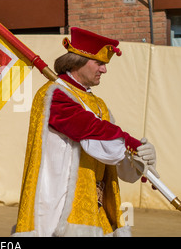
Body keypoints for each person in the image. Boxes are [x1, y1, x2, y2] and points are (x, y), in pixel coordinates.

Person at [13, 27, 158, 237]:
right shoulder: (55, 94)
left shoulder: (99, 104)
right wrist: (133, 144)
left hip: (93, 207)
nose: (104, 70)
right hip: (58, 210)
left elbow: (113, 155)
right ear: (77, 61)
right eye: (99, 63)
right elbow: (89, 128)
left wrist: (140, 158)